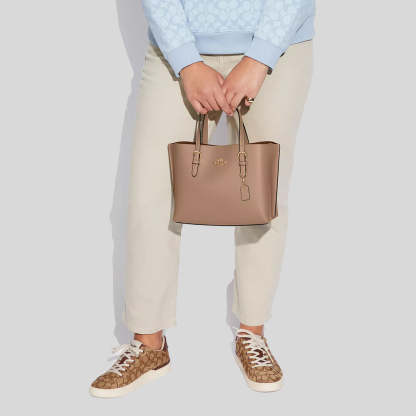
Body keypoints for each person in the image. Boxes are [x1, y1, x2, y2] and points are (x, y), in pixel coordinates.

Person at [90, 0, 316, 397]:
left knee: (263, 195)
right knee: (150, 195)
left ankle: (252, 332)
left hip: (279, 46)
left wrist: (260, 57)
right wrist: (187, 62)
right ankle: (148, 343)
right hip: (176, 47)